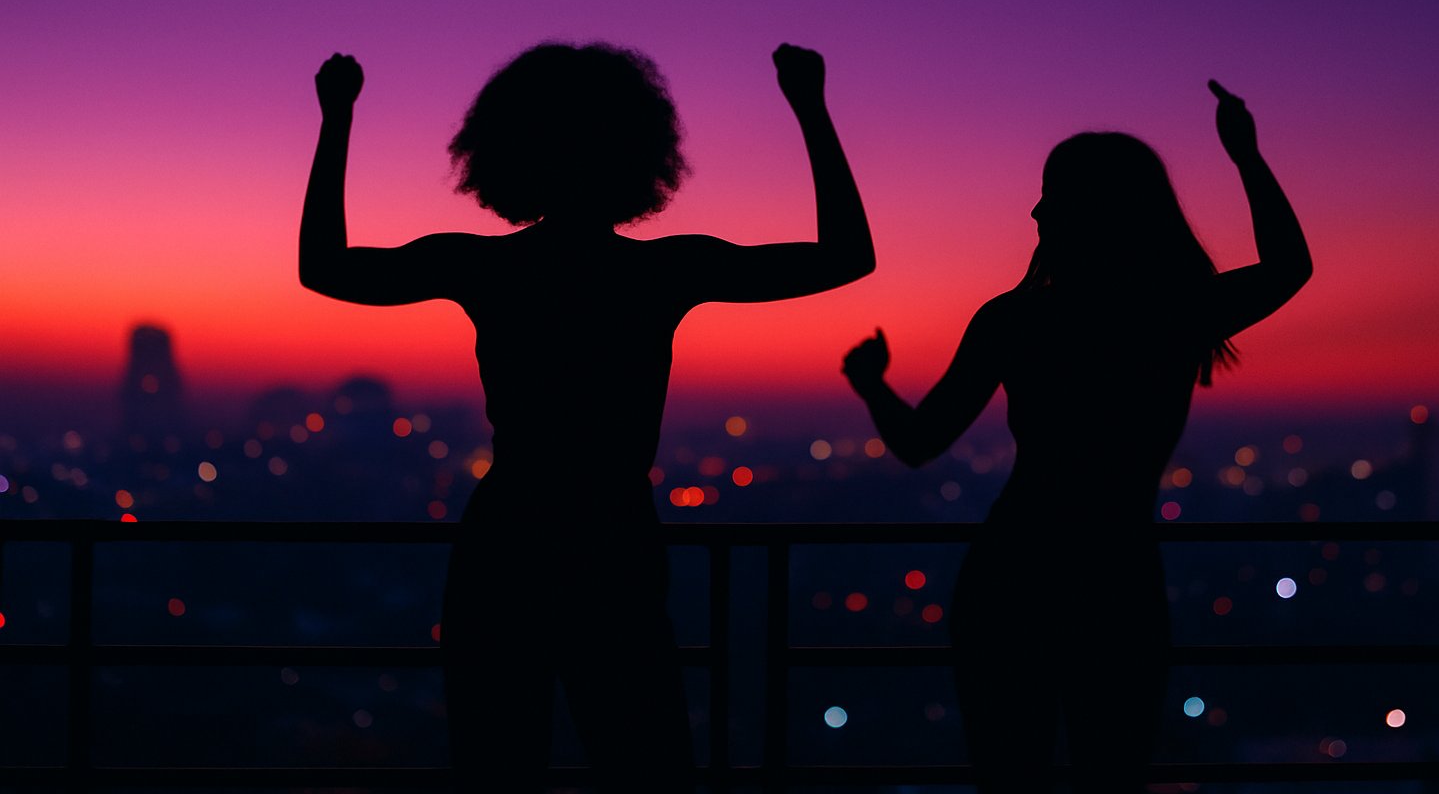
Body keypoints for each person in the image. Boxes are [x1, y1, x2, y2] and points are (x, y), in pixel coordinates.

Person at [300, 42, 874, 791]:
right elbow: (845, 255)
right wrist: (810, 106)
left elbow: (325, 267)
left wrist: (337, 118)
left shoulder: (487, 265)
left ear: (506, 153)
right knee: (645, 763)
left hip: (509, 539)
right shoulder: (662, 270)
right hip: (612, 538)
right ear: (638, 153)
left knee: (497, 764)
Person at [841, 80, 1311, 792]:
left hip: (1012, 575)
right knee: (1113, 774)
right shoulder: (1174, 312)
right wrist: (1244, 155)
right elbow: (1290, 268)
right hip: (1117, 577)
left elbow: (918, 442)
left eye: (1051, 195)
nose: (1035, 210)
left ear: (1091, 210)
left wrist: (871, 383)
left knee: (1008, 777)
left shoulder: (1014, 320)